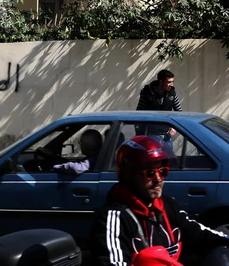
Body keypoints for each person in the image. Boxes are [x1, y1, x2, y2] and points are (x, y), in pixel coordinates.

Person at [90, 135, 229, 266]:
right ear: (128, 176)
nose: (158, 179)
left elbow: (199, 233)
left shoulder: (166, 205)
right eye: (149, 173)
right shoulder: (114, 218)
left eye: (162, 171)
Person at [136, 70, 182, 147]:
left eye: (172, 81)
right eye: (168, 82)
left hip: (166, 136)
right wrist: (140, 135)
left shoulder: (172, 93)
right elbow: (139, 114)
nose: (171, 85)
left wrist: (174, 128)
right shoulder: (147, 93)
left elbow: (179, 113)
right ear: (161, 82)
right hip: (150, 136)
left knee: (168, 158)